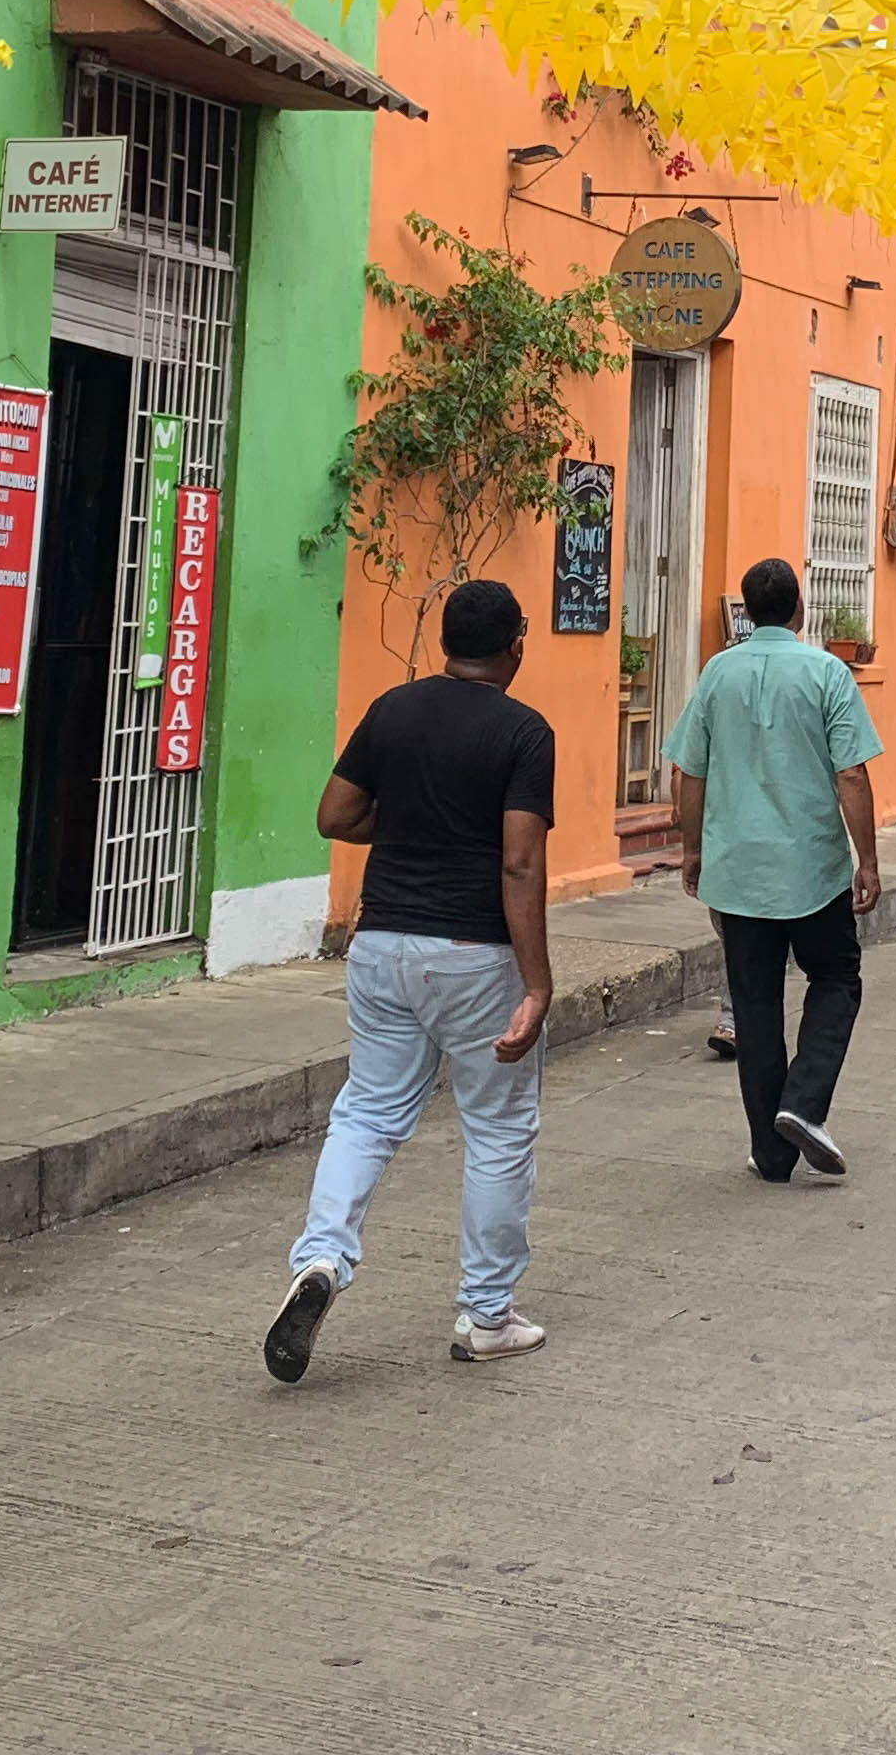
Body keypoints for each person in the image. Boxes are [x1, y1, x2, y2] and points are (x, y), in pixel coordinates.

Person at [265, 577, 559, 1382]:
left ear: (443, 645)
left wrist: (402, 823)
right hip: (473, 956)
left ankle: (320, 1260)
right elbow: (521, 860)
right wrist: (536, 983)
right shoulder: (523, 732)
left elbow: (333, 816)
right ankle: (488, 1316)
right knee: (497, 1132)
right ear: (516, 646)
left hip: (381, 945)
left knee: (366, 1114)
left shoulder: (391, 710)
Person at [671, 558, 890, 1182]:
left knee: (755, 1002)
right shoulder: (826, 672)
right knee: (836, 978)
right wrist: (867, 859)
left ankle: (772, 1152)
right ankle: (803, 1101)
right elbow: (851, 772)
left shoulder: (716, 673)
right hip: (811, 868)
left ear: (747, 611)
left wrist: (692, 849)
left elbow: (689, 771)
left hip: (738, 870)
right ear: (799, 609)